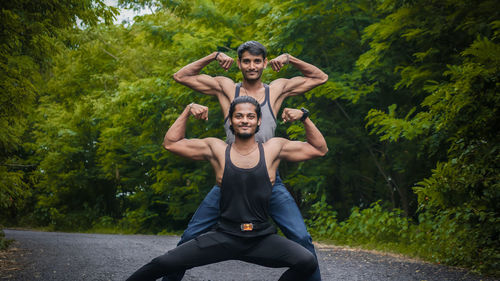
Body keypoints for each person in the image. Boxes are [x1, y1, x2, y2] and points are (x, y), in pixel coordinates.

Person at [167, 40, 328, 281]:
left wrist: (289, 58)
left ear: (265, 63)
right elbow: (181, 76)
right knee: (189, 237)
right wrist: (213, 56)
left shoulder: (276, 90)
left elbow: (320, 78)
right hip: (230, 179)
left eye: (256, 61)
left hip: (268, 179)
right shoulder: (226, 88)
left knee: (302, 239)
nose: (251, 66)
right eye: (246, 61)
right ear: (239, 64)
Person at [127, 96, 328, 281]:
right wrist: (188, 110)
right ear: (230, 121)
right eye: (238, 116)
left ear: (259, 121)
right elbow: (171, 143)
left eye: (251, 116)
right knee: (163, 263)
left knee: (307, 261)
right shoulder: (217, 149)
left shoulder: (273, 148)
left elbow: (319, 148)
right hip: (224, 237)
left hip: (260, 239)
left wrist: (304, 117)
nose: (244, 120)